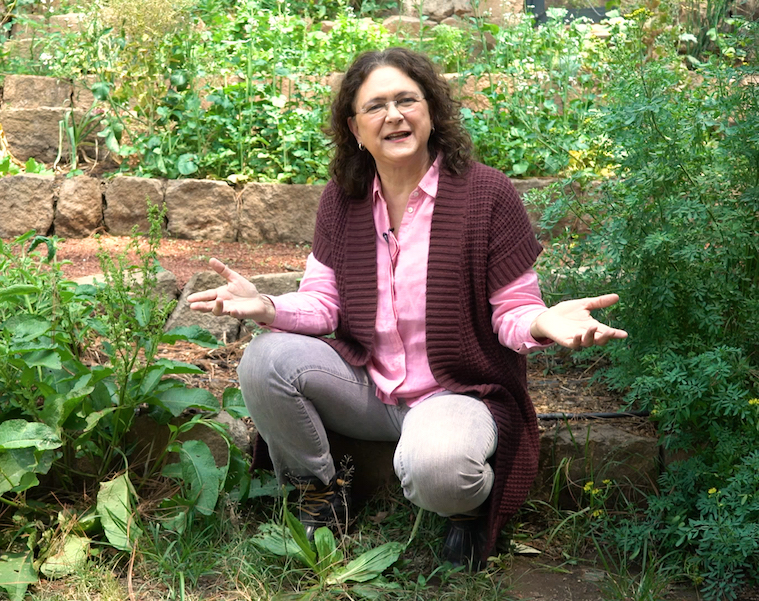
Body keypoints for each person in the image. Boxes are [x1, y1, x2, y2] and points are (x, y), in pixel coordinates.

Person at [186, 47, 627, 571]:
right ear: (355, 127)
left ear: (431, 110)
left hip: (457, 392)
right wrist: (266, 305)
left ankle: (467, 509)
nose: (393, 115)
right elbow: (324, 303)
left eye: (406, 100)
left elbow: (512, 309)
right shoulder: (342, 199)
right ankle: (325, 489)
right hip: (368, 388)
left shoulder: (487, 193)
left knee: (439, 472)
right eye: (375, 106)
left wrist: (542, 321)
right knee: (264, 358)